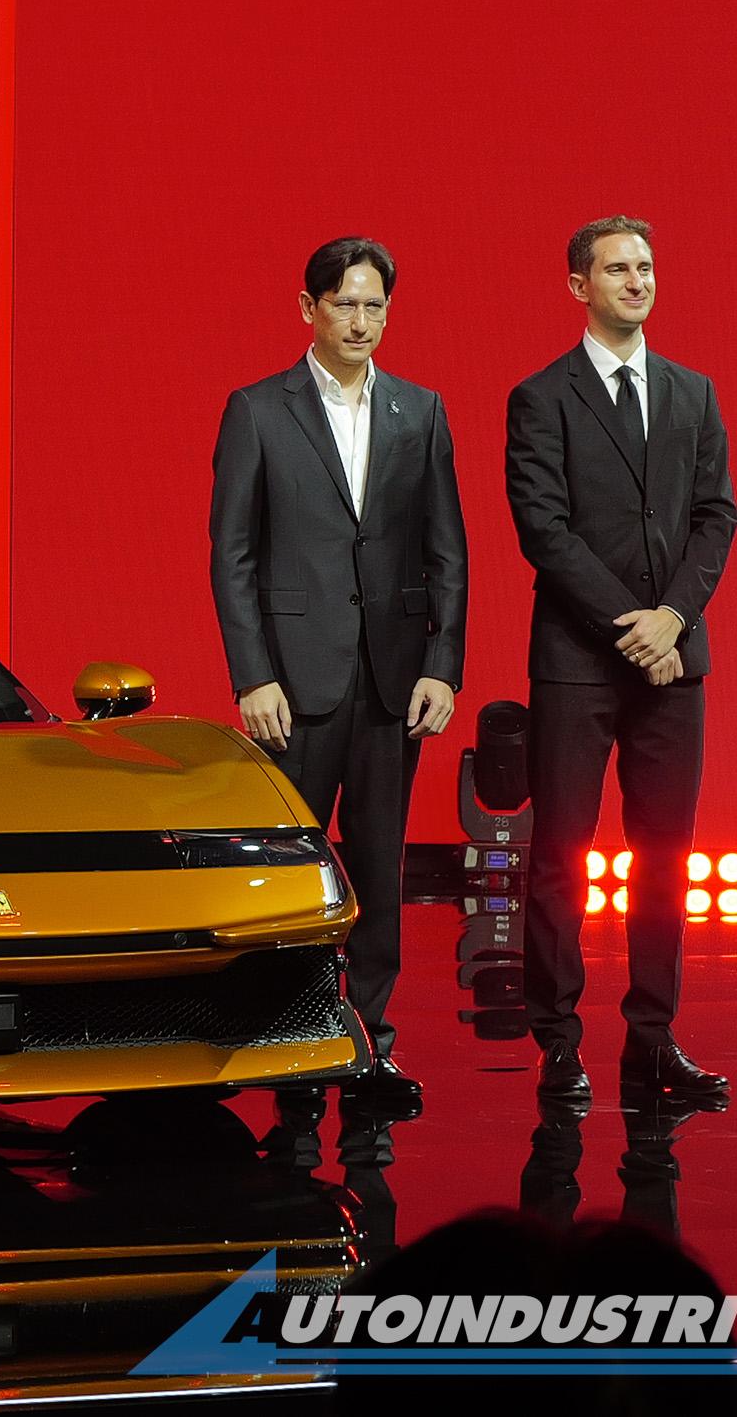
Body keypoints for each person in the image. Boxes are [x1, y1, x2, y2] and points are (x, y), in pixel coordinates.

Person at [210, 236, 469, 1109]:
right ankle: (291, 1040)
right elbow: (232, 556)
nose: (361, 322)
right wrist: (253, 674)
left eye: (374, 306)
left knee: (379, 869)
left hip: (394, 680)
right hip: (294, 682)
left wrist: (443, 665)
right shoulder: (258, 410)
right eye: (345, 304)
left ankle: (371, 1044)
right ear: (309, 308)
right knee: (293, 871)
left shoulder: (419, 410)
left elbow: (448, 551)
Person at [505, 215, 737, 1108]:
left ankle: (653, 1038)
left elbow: (716, 515)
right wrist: (631, 626)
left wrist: (672, 619)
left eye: (646, 266)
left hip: (675, 662)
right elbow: (544, 530)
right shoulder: (541, 397)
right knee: (562, 855)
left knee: (665, 857)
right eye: (618, 269)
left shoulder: (693, 392)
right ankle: (558, 1041)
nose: (638, 281)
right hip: (577, 660)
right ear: (579, 286)